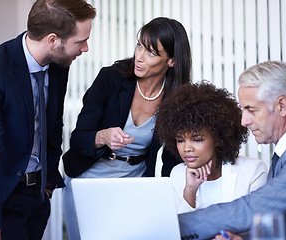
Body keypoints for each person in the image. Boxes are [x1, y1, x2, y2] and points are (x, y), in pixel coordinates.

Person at [0, 0, 96, 239]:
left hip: (38, 195)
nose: (85, 48)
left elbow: (53, 124)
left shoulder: (59, 64)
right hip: (4, 195)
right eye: (81, 41)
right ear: (52, 40)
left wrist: (48, 184)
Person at [62, 17, 192, 239]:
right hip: (86, 181)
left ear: (171, 61)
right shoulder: (111, 78)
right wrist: (103, 137)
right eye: (139, 45)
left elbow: (173, 160)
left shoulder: (177, 98)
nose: (139, 57)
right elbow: (78, 140)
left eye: (151, 52)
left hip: (133, 184)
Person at [178, 61, 286, 240]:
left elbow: (254, 208)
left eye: (251, 110)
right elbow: (284, 225)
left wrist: (171, 226)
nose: (244, 121)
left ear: (281, 106)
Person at [155, 81, 267, 214]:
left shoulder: (253, 171)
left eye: (197, 139)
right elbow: (178, 230)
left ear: (218, 138)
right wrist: (190, 191)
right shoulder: (177, 174)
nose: (187, 148)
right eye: (180, 140)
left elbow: (257, 225)